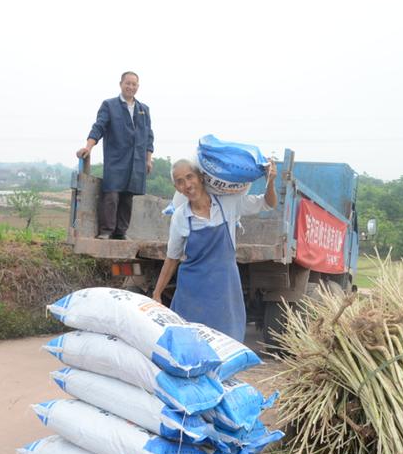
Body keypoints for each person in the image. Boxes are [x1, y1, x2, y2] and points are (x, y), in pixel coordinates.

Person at [152, 158, 277, 342]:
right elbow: (172, 258)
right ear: (177, 187)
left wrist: (271, 181)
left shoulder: (228, 204)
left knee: (227, 342)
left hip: (225, 291)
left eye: (189, 177)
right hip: (192, 293)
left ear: (201, 177)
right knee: (191, 345)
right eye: (180, 181)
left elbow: (268, 203)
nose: (187, 184)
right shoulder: (180, 217)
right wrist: (156, 294)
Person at [76, 71, 154, 239]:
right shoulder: (109, 105)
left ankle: (121, 232)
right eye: (128, 83)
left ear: (138, 87)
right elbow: (99, 127)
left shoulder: (143, 110)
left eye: (134, 84)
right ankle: (106, 231)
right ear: (121, 84)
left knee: (128, 197)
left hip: (136, 160)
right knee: (111, 194)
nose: (130, 87)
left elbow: (149, 137)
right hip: (116, 158)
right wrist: (88, 147)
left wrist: (148, 159)